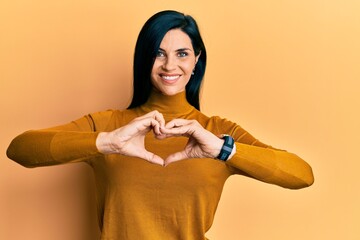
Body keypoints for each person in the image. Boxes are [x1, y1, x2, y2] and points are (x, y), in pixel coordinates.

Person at [6, 10, 314, 240]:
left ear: (196, 61)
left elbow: (302, 175)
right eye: (158, 53)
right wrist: (108, 142)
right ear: (144, 60)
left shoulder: (216, 131)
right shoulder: (110, 125)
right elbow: (19, 149)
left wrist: (223, 149)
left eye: (182, 54)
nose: (169, 65)